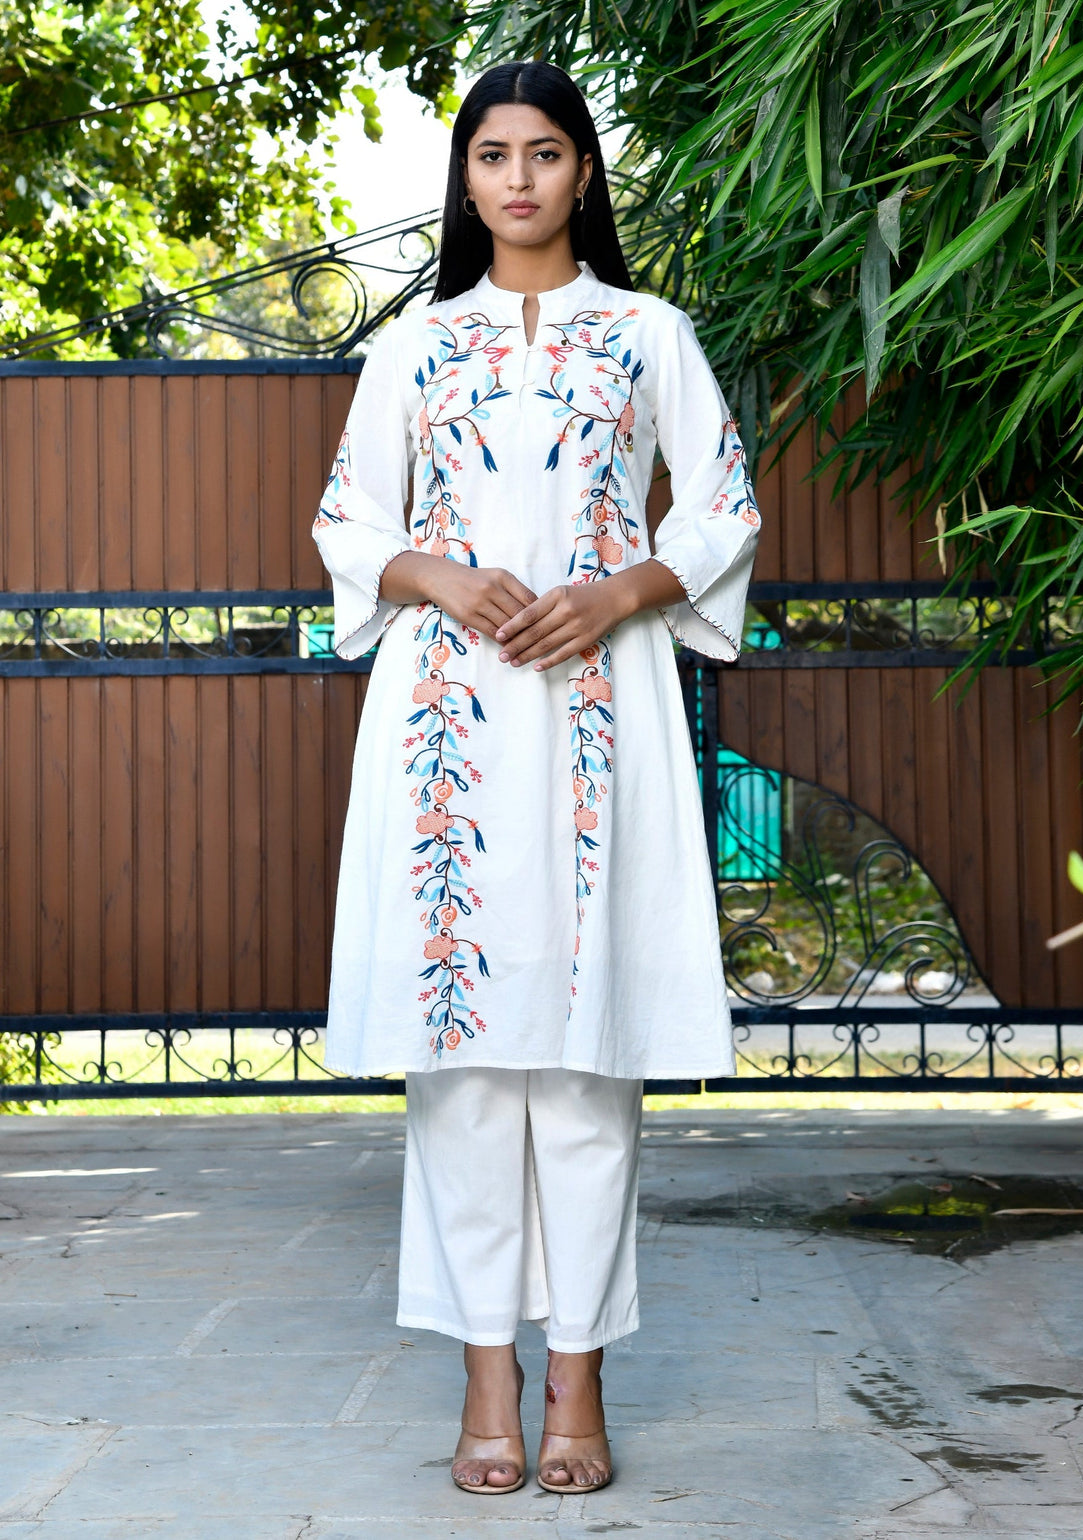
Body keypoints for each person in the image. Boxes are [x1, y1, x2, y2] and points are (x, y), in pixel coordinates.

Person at [312, 59, 760, 1497]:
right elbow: (346, 519)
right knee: (457, 1075)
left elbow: (726, 504)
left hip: (597, 720)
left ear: (583, 174)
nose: (517, 179)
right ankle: (483, 1384)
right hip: (445, 720)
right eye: (492, 155)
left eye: (546, 153)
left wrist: (625, 590)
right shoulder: (414, 347)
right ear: (466, 178)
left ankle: (578, 1385)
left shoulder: (649, 335)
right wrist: (438, 573)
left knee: (583, 1074)